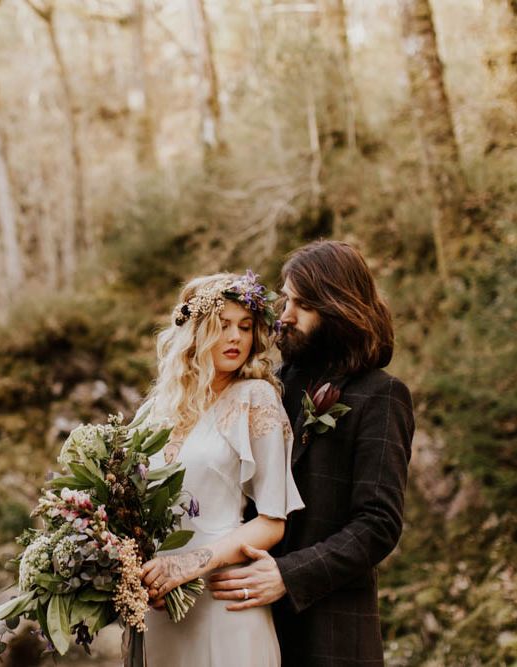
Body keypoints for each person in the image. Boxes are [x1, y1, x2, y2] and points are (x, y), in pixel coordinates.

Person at [208, 241, 415, 666]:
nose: (285, 315)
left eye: (302, 305)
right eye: (286, 298)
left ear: (338, 308)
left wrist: (288, 575)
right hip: (248, 623)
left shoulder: (382, 396)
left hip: (332, 633)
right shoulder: (273, 386)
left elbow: (378, 524)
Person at [136, 270, 304, 667]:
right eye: (222, 325)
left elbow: (271, 521)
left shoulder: (256, 398)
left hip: (223, 599)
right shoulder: (154, 411)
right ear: (194, 331)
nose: (235, 338)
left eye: (245, 327)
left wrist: (188, 566)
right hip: (160, 607)